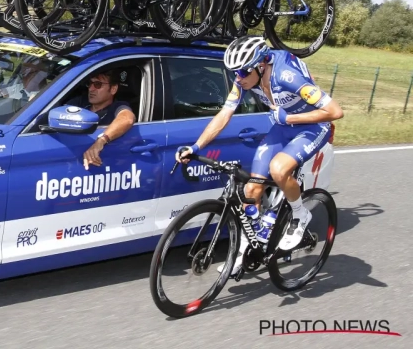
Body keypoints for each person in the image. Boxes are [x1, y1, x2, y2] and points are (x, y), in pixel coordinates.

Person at [175, 36, 343, 273]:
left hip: (314, 126)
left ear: (260, 65)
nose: (238, 78)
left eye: (243, 72)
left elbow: (335, 112)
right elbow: (224, 114)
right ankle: (245, 251)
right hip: (284, 127)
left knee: (278, 168)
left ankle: (299, 215)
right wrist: (196, 146)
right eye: (235, 72)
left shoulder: (286, 76)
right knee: (250, 190)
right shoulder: (245, 77)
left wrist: (289, 118)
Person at [65, 69, 136, 170]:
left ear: (113, 89)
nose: (91, 89)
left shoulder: (117, 107)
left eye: (97, 85)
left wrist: (101, 141)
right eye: (90, 83)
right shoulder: (80, 102)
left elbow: (127, 119)